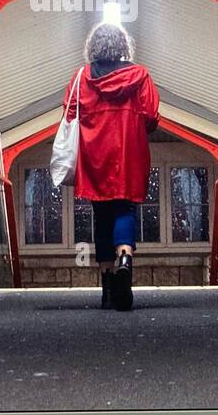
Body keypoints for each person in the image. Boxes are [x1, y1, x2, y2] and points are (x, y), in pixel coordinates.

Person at [63, 22, 160, 311]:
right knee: (125, 207)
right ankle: (125, 260)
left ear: (93, 47)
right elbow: (152, 116)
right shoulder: (140, 76)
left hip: (95, 154)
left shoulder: (81, 78)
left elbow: (69, 115)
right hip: (129, 151)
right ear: (123, 46)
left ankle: (106, 286)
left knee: (101, 213)